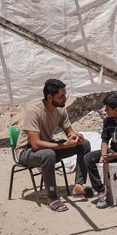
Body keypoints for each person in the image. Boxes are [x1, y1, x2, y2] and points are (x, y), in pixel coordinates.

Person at [14, 79, 96, 212]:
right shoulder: (34, 112)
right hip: (26, 151)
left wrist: (75, 137)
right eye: (61, 96)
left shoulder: (60, 109)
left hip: (47, 147)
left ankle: (78, 185)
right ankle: (52, 197)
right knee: (49, 154)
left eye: (65, 95)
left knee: (84, 145)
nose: (65, 99)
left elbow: (69, 131)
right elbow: (35, 144)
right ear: (50, 97)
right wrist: (64, 145)